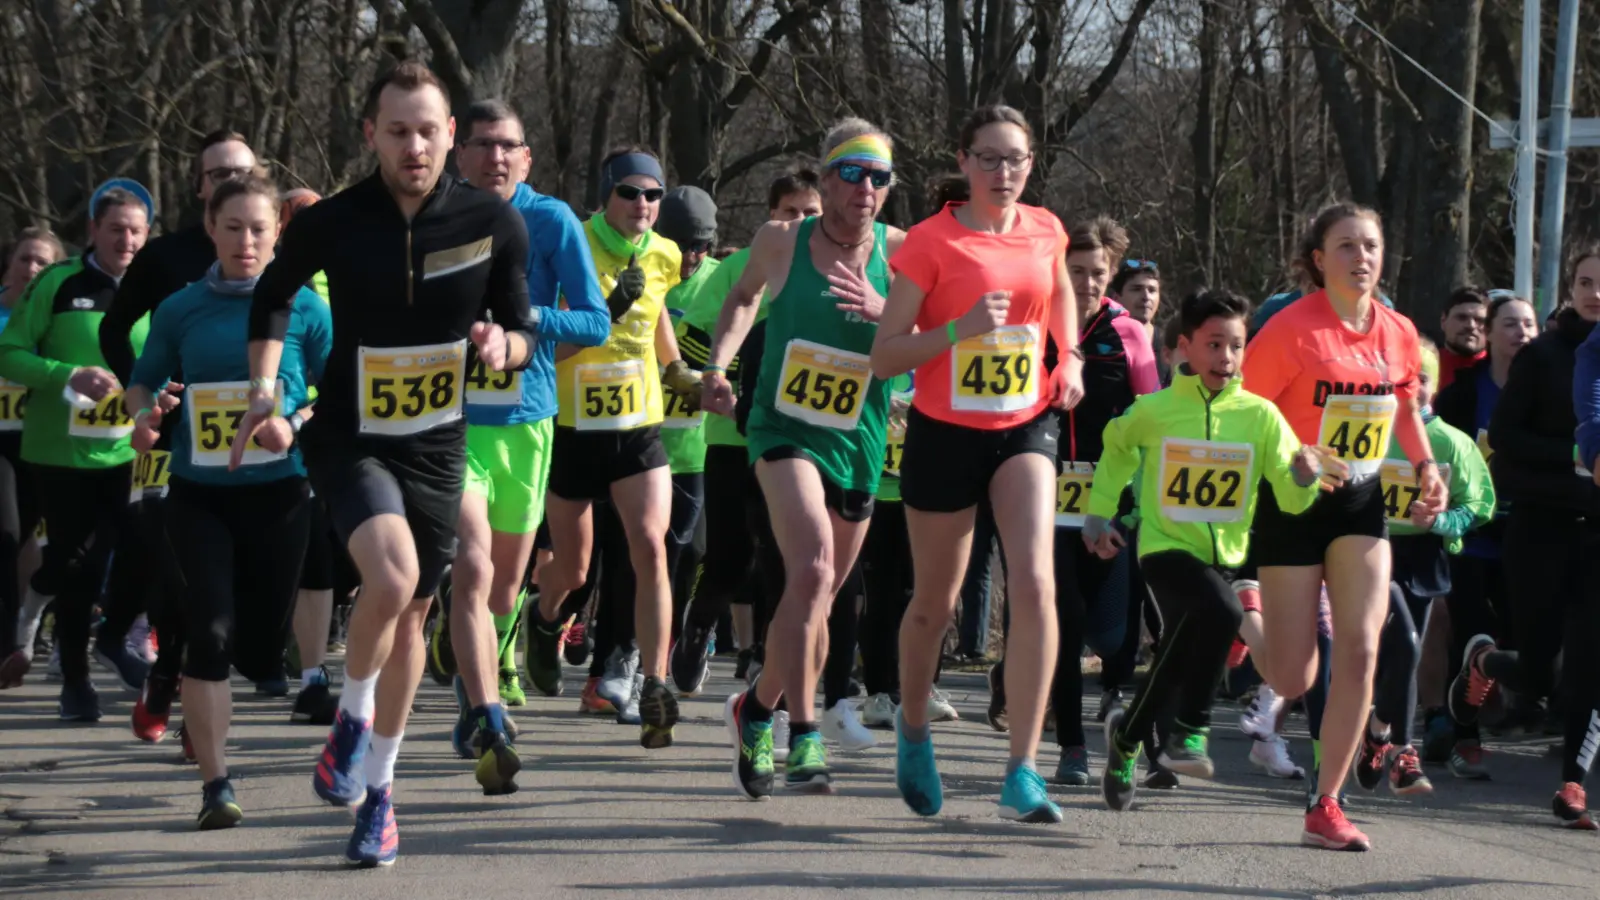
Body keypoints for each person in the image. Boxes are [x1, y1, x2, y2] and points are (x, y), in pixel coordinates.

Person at [236, 62, 538, 867]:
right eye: (396, 130)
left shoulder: (493, 222)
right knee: (393, 576)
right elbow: (273, 296)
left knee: (412, 616)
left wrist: (501, 347)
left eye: (427, 130)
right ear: (370, 135)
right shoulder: (332, 222)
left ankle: (378, 795)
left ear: (452, 137)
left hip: (439, 443)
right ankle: (352, 715)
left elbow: (521, 328)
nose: (414, 145)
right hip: (350, 434)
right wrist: (265, 388)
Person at [871, 104, 1084, 823]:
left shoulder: (1046, 228)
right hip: (943, 431)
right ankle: (913, 731)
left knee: (1035, 580)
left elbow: (1059, 289)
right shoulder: (931, 243)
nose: (1004, 173)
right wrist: (958, 330)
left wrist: (1071, 354)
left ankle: (1022, 768)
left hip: (1025, 424)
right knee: (936, 603)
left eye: (1016, 160)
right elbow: (886, 353)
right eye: (989, 159)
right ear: (962, 163)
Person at [704, 118, 902, 798]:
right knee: (813, 564)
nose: (866, 189)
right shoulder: (780, 242)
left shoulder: (902, 254)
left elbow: (933, 338)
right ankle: (802, 728)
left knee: (818, 594)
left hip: (860, 438)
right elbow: (741, 297)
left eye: (879, 178)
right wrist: (719, 365)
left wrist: (887, 310)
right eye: (852, 174)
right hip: (780, 427)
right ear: (826, 180)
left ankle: (755, 705)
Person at [123, 175, 329, 829]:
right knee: (211, 633)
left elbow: (338, 391)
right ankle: (216, 784)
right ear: (210, 228)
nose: (246, 241)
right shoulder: (180, 307)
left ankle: (194, 691)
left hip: (282, 493)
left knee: (262, 646)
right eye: (233, 227)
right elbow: (142, 384)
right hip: (198, 498)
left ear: (278, 234)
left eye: (259, 229)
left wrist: (294, 423)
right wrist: (146, 415)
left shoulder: (307, 307)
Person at [1241, 202, 1445, 852]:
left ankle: (1326, 803)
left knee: (1361, 645)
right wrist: (1288, 454)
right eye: (1347, 247)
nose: (1362, 258)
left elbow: (1405, 406)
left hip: (1358, 502)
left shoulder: (1398, 331)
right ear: (1318, 260)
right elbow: (1245, 409)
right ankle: (1243, 618)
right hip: (1293, 501)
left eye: (1371, 246)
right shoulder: (1291, 331)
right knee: (1293, 679)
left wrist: (1425, 466)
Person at [1083, 289, 1332, 810]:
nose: (1226, 358)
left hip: (1224, 554)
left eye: (1236, 346)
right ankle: (1189, 731)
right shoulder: (1154, 409)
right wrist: (1098, 512)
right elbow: (1117, 446)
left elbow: (1289, 497)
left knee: (1178, 649)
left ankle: (1127, 737)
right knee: (1222, 612)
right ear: (1183, 349)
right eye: (1214, 345)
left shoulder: (1260, 416)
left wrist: (1304, 475)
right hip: (1165, 548)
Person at [436, 99, 608, 784]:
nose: (493, 158)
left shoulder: (551, 220)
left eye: (507, 146)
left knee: (505, 583)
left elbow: (594, 322)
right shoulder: (435, 217)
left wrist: (521, 318)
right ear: (459, 153)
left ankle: (488, 650)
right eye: (480, 145)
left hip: (528, 421)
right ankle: (479, 705)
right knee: (473, 565)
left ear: (526, 158)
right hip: (450, 421)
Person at [523, 145, 700, 750]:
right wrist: (608, 307)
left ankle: (653, 682)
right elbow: (553, 348)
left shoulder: (667, 253)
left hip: (637, 426)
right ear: (606, 195)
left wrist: (676, 371)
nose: (643, 206)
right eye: (630, 192)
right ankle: (542, 620)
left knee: (652, 545)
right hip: (572, 426)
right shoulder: (574, 241)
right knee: (572, 570)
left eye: (654, 195)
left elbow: (657, 322)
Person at [1458, 244, 1600, 829]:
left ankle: (1572, 783)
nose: (1596, 293)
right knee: (1541, 674)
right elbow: (1506, 444)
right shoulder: (1544, 356)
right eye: (1587, 281)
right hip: (1542, 529)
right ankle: (1487, 661)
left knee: (1590, 664)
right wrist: (1578, 457)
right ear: (1570, 287)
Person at [0, 189, 153, 715]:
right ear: (93, 230)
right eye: (116, 229)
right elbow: (8, 351)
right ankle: (76, 681)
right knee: (77, 567)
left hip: (126, 450)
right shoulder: (57, 282)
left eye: (136, 230)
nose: (126, 240)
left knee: (141, 547)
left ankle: (110, 638)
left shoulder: (154, 286)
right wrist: (67, 376)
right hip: (58, 453)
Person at [672, 170, 823, 691]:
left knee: (784, 558)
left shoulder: (834, 270)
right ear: (771, 218)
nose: (801, 223)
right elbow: (690, 339)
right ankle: (697, 628)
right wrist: (731, 385)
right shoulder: (742, 265)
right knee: (731, 558)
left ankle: (766, 659)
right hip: (733, 439)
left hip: (800, 441)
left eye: (811, 213)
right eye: (789, 213)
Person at [1352, 338, 1492, 799]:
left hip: (1421, 560)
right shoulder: (1368, 429)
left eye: (1423, 379)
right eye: (1403, 380)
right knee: (1393, 650)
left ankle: (1381, 737)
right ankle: (1390, 747)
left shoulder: (1452, 442)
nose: (1414, 389)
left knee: (1405, 655)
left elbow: (1479, 505)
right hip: (1368, 552)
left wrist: (1440, 520)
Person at [1428, 293, 1537, 777]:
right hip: (1470, 535)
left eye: (1529, 325)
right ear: (1489, 334)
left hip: (1528, 535)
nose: (1521, 334)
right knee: (1470, 632)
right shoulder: (1463, 394)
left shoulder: (1549, 391)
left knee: (1518, 637)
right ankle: (1463, 738)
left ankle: (1512, 706)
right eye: (1510, 324)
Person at [0, 228, 63, 668]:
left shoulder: (56, 319)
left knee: (42, 542)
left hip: (48, 442)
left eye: (43, 262)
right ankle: (8, 646)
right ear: (9, 264)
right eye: (25, 259)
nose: (32, 269)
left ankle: (38, 628)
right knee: (5, 537)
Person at [1436, 287, 1488, 390]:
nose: (1471, 325)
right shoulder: (1421, 366)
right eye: (1462, 317)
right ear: (1443, 321)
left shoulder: (1501, 371)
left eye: (1479, 320)